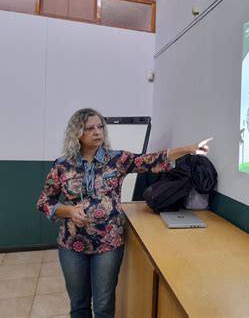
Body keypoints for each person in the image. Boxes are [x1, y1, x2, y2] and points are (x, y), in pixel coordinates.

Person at [36, 108, 211, 318]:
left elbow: (151, 160)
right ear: (77, 133)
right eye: (90, 128)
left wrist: (189, 149)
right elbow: (44, 201)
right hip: (72, 244)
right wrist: (68, 211)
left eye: (100, 127)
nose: (97, 132)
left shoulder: (117, 159)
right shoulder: (62, 166)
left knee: (103, 307)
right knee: (79, 306)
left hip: (108, 245)